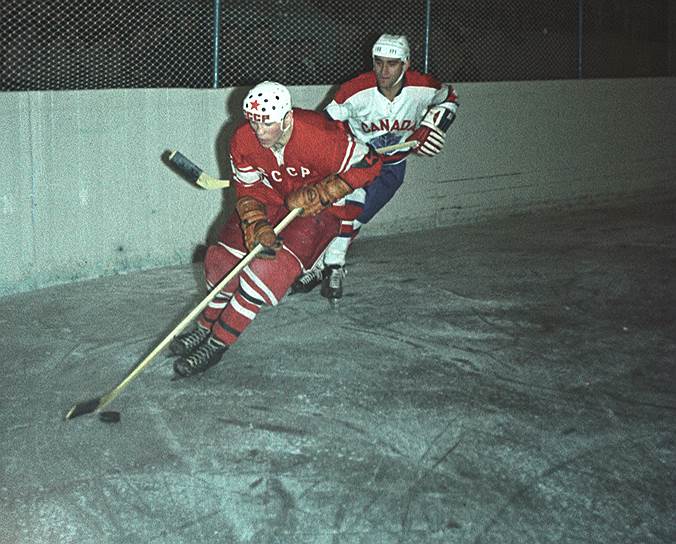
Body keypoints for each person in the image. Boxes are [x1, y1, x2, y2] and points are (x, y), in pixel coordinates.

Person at [169, 81, 382, 377]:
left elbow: (371, 163)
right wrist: (255, 222)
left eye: (267, 123)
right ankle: (204, 326)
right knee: (220, 263)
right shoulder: (243, 139)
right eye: (254, 122)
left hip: (319, 210)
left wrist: (324, 192)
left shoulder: (320, 135)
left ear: (287, 118)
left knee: (269, 271)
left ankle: (218, 342)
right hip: (271, 199)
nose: (259, 132)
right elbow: (249, 188)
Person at [290, 33, 459, 302]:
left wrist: (432, 126)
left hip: (392, 168)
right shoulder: (355, 91)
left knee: (355, 220)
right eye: (378, 62)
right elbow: (325, 124)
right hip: (356, 164)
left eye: (392, 64)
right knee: (341, 216)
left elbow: (450, 97)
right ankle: (326, 268)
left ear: (405, 64)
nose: (383, 70)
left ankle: (323, 267)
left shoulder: (424, 87)